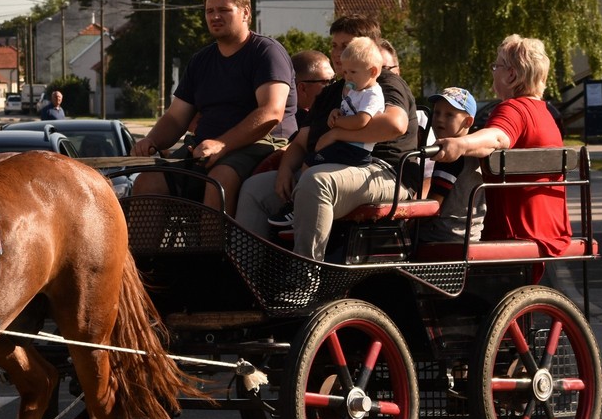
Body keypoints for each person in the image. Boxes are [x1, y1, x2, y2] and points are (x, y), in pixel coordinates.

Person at [235, 14, 417, 258]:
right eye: (334, 45)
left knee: (316, 180)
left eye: (346, 46)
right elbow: (301, 141)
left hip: (383, 171)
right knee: (254, 189)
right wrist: (285, 171)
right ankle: (250, 280)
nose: (338, 53)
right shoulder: (330, 92)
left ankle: (305, 279)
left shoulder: (384, 82)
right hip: (331, 165)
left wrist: (337, 134)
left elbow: (395, 124)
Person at [130, 0, 296, 214]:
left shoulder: (266, 52)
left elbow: (271, 112)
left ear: (245, 12)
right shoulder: (200, 61)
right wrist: (151, 141)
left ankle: (212, 251)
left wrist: (222, 144)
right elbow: (176, 118)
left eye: (224, 10)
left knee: (218, 180)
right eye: (210, 11)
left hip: (263, 144)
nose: (215, 16)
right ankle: (146, 253)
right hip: (204, 147)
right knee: (148, 181)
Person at [433, 34, 571, 256]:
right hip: (550, 226)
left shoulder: (514, 109)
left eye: (496, 66)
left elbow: (497, 137)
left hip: (513, 228)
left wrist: (460, 144)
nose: (493, 71)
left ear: (512, 75)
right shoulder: (546, 114)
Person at [416, 88, 485, 245]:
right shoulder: (473, 154)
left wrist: (409, 222)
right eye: (437, 113)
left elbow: (433, 205)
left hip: (444, 235)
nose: (439, 119)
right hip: (469, 233)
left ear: (468, 122)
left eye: (449, 115)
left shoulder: (449, 155)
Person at [308, 36, 386, 168]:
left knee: (312, 162)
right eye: (345, 71)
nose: (348, 76)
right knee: (311, 160)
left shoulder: (372, 94)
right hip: (344, 144)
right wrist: (336, 112)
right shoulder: (356, 90)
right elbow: (348, 111)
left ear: (373, 71)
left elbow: (360, 120)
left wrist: (337, 122)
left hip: (356, 150)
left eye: (353, 72)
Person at [292, 50, 335, 129]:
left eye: (335, 80)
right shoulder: (303, 125)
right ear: (303, 88)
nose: (335, 85)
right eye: (328, 82)